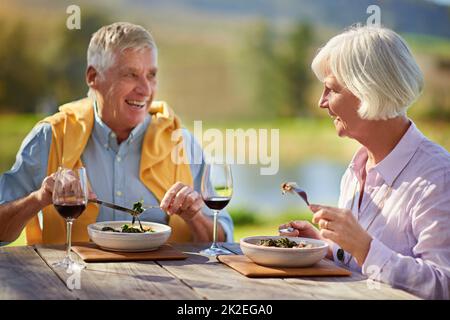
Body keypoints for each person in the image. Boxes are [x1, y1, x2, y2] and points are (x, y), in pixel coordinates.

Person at [0, 22, 233, 246]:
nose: (145, 90)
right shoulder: (49, 137)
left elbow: (221, 243)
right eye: (130, 74)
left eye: (151, 75)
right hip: (70, 282)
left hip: (168, 285)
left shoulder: (181, 143)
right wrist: (39, 198)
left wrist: (195, 217)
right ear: (93, 77)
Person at [279, 26, 450, 299]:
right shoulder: (356, 168)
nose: (321, 102)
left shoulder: (438, 176)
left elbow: (443, 285)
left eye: (331, 89)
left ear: (368, 90)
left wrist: (365, 247)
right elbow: (361, 267)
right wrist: (326, 245)